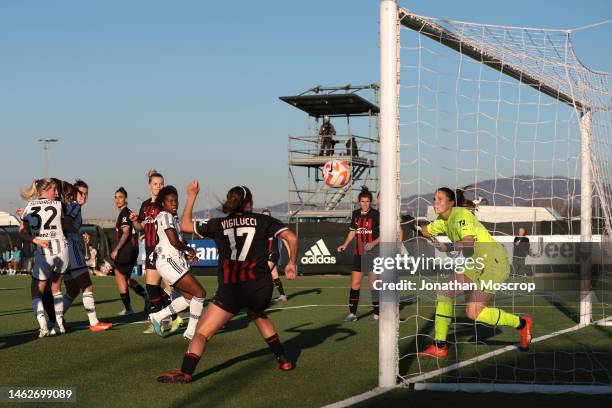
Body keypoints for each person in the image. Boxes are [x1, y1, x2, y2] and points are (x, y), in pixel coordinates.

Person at [156, 181, 299, 383]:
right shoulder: (263, 220)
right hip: (260, 287)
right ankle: (283, 358)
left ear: (230, 203)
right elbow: (291, 237)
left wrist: (191, 196)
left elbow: (185, 225)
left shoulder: (218, 224)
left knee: (202, 333)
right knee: (257, 313)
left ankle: (186, 371)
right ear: (249, 203)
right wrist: (292, 263)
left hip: (232, 290)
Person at [418, 187, 533, 358]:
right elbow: (426, 230)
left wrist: (447, 246)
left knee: (473, 312)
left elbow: (468, 243)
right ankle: (439, 345)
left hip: (494, 262)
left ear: (451, 202)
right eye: (434, 199)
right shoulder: (442, 221)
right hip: (476, 263)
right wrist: (417, 228)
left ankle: (522, 324)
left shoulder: (462, 215)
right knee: (444, 292)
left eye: (440, 199)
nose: (436, 203)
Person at [147, 186, 206, 339]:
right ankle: (191, 331)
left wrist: (186, 252)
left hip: (171, 261)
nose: (174, 204)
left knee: (189, 298)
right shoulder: (165, 216)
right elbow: (173, 242)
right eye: (170, 201)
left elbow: (175, 240)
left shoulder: (171, 218)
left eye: (176, 201)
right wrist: (189, 249)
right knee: (200, 293)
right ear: (163, 203)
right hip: (168, 261)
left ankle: (157, 317)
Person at [130, 170, 183, 334]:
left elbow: (171, 226)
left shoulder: (165, 204)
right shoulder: (145, 205)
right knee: (152, 287)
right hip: (150, 249)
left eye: (161, 184)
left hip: (163, 250)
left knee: (168, 287)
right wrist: (134, 222)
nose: (158, 186)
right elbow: (141, 227)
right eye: (155, 184)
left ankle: (166, 318)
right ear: (149, 186)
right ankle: (166, 319)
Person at [19, 178, 70, 337]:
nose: (56, 193)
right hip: (62, 250)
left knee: (36, 292)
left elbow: (22, 232)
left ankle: (43, 326)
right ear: (44, 190)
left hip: (44, 251)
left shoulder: (29, 206)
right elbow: (67, 223)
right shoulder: (61, 204)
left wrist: (35, 239)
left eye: (56, 190)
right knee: (56, 289)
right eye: (53, 190)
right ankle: (60, 325)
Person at [60, 179, 112, 332]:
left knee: (72, 290)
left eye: (86, 193)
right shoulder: (74, 206)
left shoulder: (70, 206)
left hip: (65, 251)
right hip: (72, 251)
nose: (83, 196)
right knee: (87, 285)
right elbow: (66, 223)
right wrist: (79, 232)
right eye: (81, 193)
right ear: (74, 193)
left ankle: (56, 319)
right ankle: (94, 322)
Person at [337, 186, 380, 321]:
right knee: (355, 284)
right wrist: (345, 244)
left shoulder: (376, 215)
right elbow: (352, 232)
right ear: (359, 202)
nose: (365, 204)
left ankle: (377, 313)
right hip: (359, 254)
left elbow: (384, 232)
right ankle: (353, 314)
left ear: (370, 202)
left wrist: (373, 243)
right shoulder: (355, 214)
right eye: (362, 201)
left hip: (373, 254)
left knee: (373, 284)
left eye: (367, 201)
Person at [112, 187, 147, 315]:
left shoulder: (125, 213)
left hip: (127, 250)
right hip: (132, 250)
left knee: (119, 277)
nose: (117, 200)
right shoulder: (125, 212)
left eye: (120, 197)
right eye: (116, 197)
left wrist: (116, 249)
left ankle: (128, 309)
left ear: (125, 199)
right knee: (126, 279)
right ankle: (146, 296)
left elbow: (126, 233)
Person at [262, 208, 288, 302]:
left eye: (267, 216)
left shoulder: (274, 227)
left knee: (263, 273)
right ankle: (282, 295)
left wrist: (289, 251)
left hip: (273, 254)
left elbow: (285, 238)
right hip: (265, 255)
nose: (265, 218)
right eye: (263, 216)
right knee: (274, 275)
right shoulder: (260, 228)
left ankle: (264, 297)